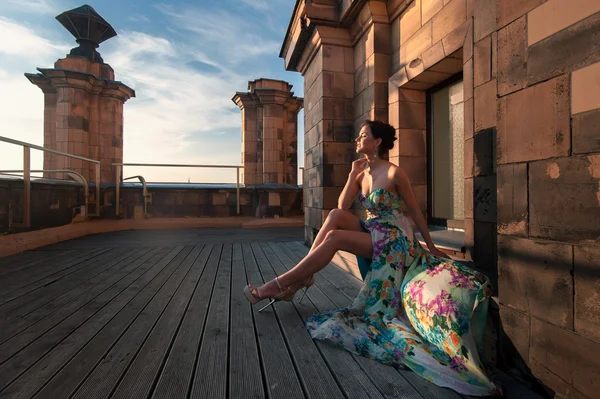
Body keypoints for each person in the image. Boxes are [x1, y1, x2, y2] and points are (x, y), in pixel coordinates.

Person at [244, 120, 501, 396]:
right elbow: (342, 209)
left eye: (363, 136)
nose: (357, 139)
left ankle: (283, 283)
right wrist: (351, 175)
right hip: (373, 228)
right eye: (358, 135)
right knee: (333, 216)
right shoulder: (360, 172)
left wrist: (431, 246)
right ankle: (301, 277)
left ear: (377, 141)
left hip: (394, 237)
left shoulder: (394, 173)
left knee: (334, 239)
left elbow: (415, 211)